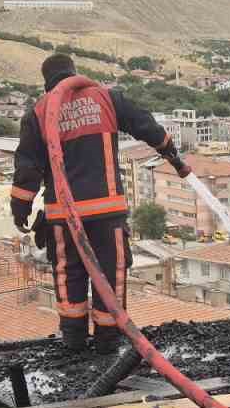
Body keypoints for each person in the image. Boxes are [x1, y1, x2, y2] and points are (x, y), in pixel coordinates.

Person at [11, 53, 190, 350]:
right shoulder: (108, 99)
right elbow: (146, 125)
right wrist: (172, 155)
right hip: (107, 215)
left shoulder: (39, 113)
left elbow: (27, 168)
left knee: (69, 275)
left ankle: (73, 340)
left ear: (47, 82)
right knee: (110, 275)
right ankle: (108, 341)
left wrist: (21, 209)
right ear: (74, 72)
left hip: (63, 218)